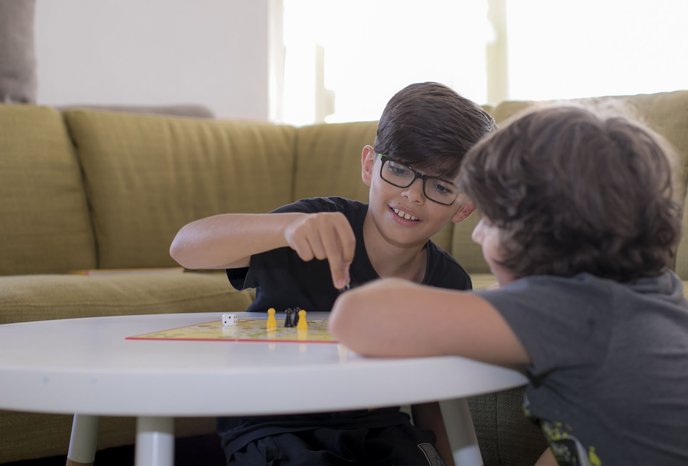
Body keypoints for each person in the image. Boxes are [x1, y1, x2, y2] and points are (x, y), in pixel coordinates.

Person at [329, 104, 688, 466]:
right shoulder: (644, 297)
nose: (475, 233)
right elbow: (580, 445)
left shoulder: (567, 311)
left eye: (491, 221)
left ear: (538, 230)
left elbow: (357, 317)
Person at [169, 82, 495, 466]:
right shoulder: (311, 225)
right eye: (399, 170)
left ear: (463, 207)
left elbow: (431, 399)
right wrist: (283, 229)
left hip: (380, 429)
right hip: (273, 425)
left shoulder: (449, 284)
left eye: (440, 186)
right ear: (369, 165)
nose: (413, 195)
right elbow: (185, 247)